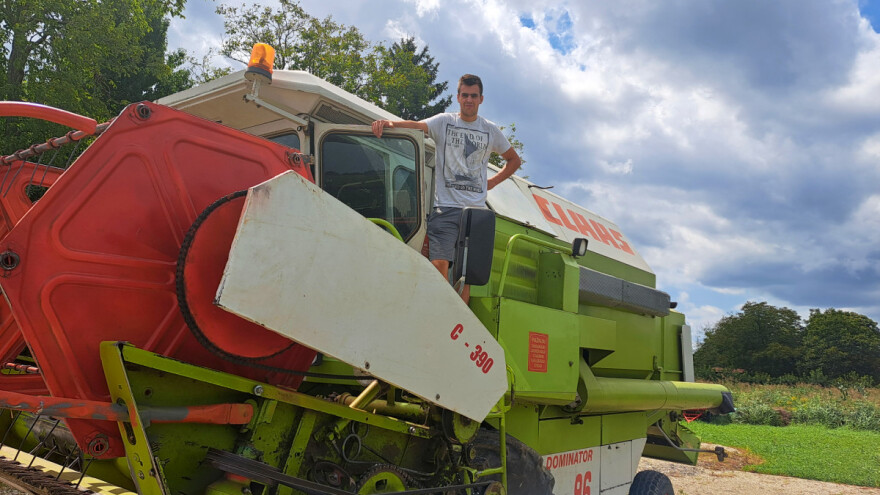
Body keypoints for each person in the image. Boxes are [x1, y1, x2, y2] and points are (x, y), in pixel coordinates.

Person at [372, 74, 522, 302]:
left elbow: (514, 160)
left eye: (473, 96)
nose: (469, 100)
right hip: (446, 207)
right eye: (465, 95)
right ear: (458, 97)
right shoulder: (444, 122)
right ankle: (442, 307)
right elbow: (418, 126)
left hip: (476, 212)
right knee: (439, 262)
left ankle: (458, 319)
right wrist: (390, 124)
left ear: (481, 99)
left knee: (466, 275)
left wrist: (490, 183)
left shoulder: (490, 130)